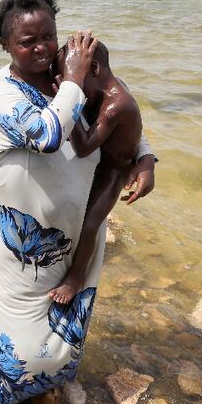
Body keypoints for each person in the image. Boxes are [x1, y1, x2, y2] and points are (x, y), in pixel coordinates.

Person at [0, 0, 156, 404]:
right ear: (6, 45)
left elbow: (118, 113)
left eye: (48, 36)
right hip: (22, 241)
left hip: (76, 227)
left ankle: (51, 383)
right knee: (15, 331)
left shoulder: (67, 79)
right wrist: (75, 81)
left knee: (65, 328)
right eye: (28, 42)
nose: (43, 48)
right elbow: (45, 134)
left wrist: (144, 156)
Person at [49, 40, 142, 304]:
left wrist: (68, 99)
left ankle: (76, 277)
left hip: (115, 169)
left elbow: (85, 146)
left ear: (95, 69)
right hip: (102, 158)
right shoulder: (104, 89)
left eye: (77, 79)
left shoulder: (118, 104)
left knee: (91, 222)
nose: (73, 85)